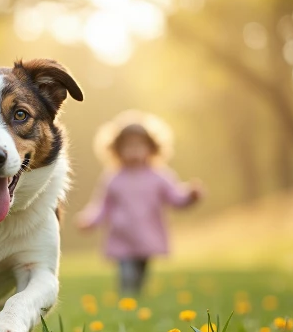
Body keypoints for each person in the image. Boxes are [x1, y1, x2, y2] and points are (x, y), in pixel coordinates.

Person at [77, 110, 202, 295]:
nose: (134, 151)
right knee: (127, 273)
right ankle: (126, 296)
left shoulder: (159, 176)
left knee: (141, 274)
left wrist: (190, 196)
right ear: (117, 150)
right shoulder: (114, 178)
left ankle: (134, 298)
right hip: (122, 236)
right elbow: (102, 205)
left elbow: (175, 197)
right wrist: (89, 220)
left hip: (147, 235)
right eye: (128, 146)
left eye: (139, 145)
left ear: (151, 148)